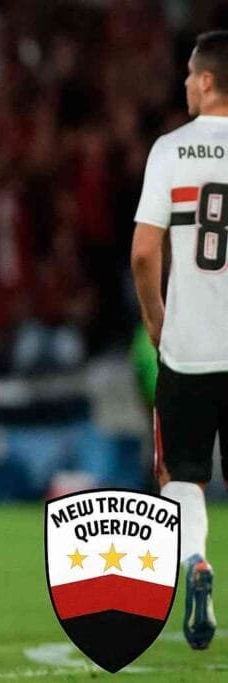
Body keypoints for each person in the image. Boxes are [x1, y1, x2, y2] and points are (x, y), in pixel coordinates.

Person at [131, 30, 228, 651]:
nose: (186, 82)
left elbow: (145, 252)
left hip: (188, 347)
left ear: (209, 81)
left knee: (182, 476)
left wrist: (155, 317)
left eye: (192, 74)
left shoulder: (171, 149)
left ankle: (195, 560)